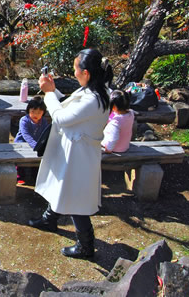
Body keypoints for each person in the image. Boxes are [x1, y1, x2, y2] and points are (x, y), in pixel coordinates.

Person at [27, 48, 111, 259]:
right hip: (74, 150)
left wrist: (47, 93)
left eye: (76, 69)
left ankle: (86, 245)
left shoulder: (94, 98)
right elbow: (68, 105)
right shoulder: (94, 91)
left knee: (76, 198)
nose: (74, 73)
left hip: (80, 155)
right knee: (62, 186)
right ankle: (49, 219)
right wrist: (53, 91)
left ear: (87, 73)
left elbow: (62, 117)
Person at [14, 96, 50, 185]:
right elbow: (26, 135)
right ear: (28, 110)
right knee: (20, 161)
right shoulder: (24, 121)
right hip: (22, 143)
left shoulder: (44, 121)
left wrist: (42, 144)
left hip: (36, 144)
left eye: (39, 112)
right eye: (33, 112)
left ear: (43, 112)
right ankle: (19, 176)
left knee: (37, 161)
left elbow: (45, 133)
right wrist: (36, 145)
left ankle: (35, 176)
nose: (36, 115)